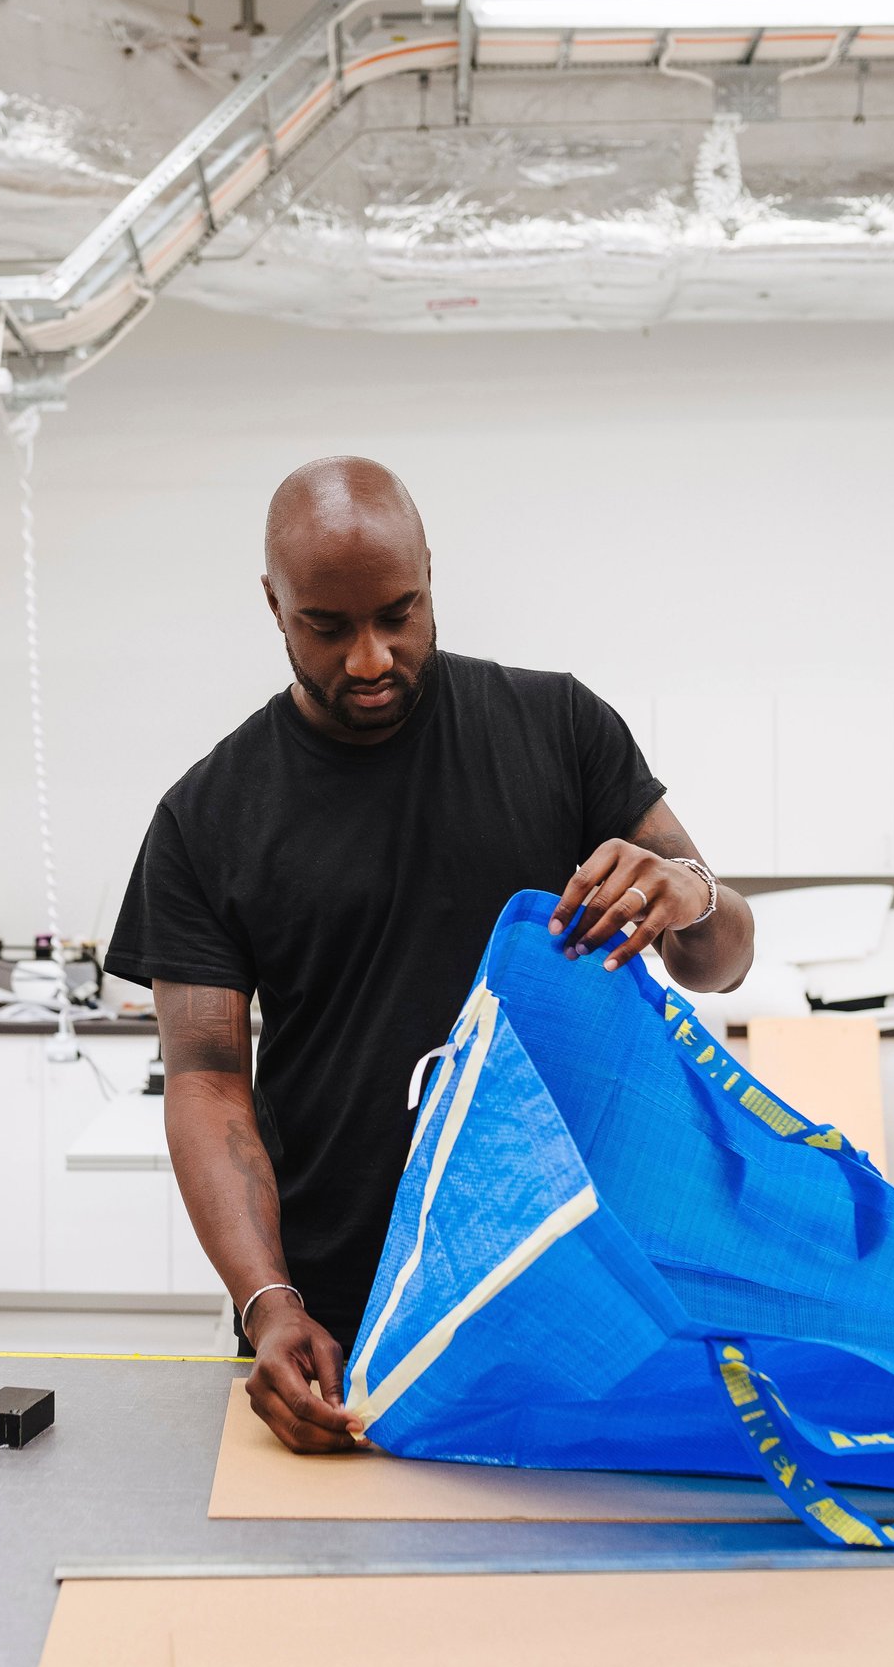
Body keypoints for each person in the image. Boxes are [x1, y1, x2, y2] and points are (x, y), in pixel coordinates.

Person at [104, 456, 754, 1453]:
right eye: (326, 627)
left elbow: (719, 961)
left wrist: (689, 894)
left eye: (397, 615)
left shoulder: (559, 731)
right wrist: (267, 1304)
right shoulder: (207, 817)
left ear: (429, 578)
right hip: (349, 1317)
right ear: (272, 604)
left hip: (578, 1283)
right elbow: (204, 1082)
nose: (369, 658)